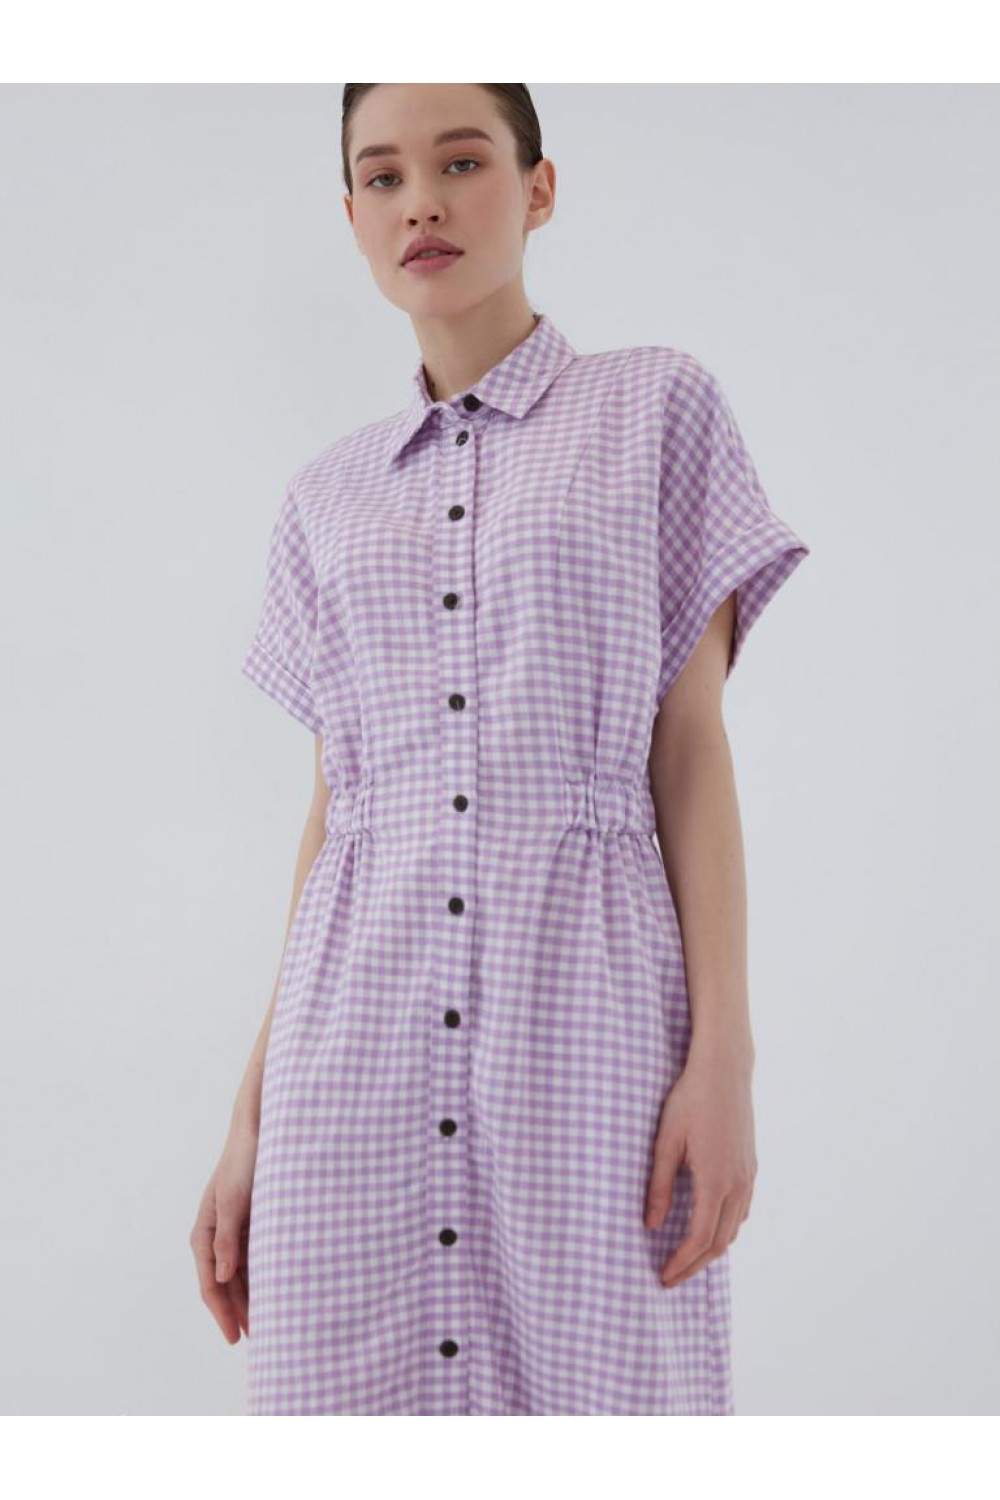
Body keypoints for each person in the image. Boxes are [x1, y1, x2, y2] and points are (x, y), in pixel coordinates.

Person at [190, 82, 810, 1416]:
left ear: (538, 187)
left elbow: (689, 748)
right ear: (352, 216)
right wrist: (252, 1112)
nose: (421, 200)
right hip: (350, 1057)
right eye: (383, 176)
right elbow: (336, 814)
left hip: (589, 1028)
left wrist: (725, 1056)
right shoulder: (325, 497)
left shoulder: (656, 409)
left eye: (462, 161)